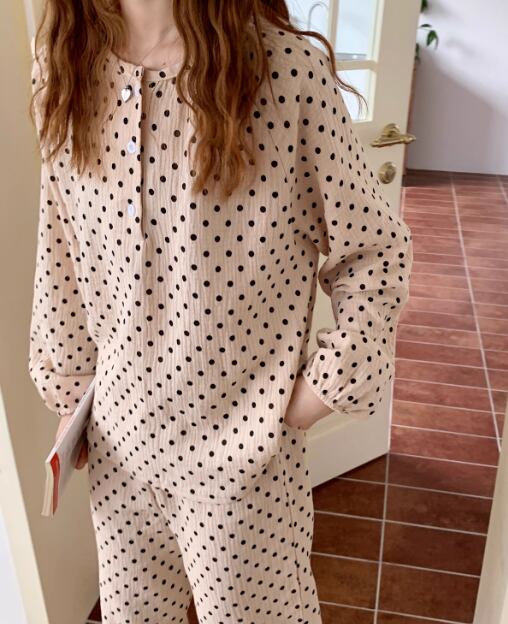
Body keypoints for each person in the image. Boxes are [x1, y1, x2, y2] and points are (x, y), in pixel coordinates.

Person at [27, 0, 413, 622]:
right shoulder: (65, 67)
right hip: (120, 452)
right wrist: (70, 394)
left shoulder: (284, 75)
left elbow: (374, 252)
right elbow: (61, 250)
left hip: (244, 467)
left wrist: (321, 389)